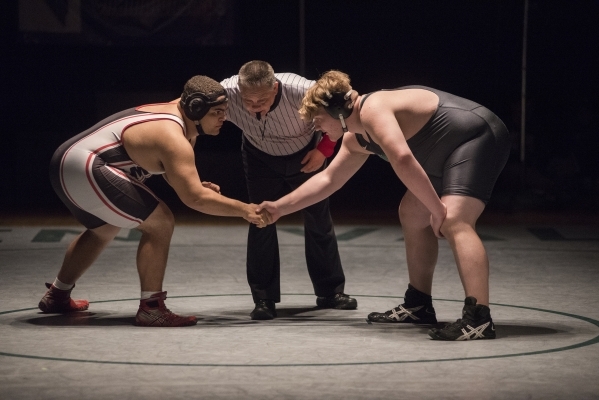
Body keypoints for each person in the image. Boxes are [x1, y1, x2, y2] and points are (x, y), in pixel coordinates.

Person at [258, 70, 511, 340]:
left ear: (338, 111)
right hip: (443, 152)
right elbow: (329, 179)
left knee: (454, 221)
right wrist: (279, 207)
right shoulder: (355, 139)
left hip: (475, 137)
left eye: (318, 120)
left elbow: (402, 158)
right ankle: (418, 303)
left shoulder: (373, 109)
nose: (316, 128)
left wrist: (438, 211)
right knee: (412, 214)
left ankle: (479, 319)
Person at [39, 75, 267, 327]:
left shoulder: (180, 120)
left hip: (69, 162)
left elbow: (174, 175)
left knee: (103, 229)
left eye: (225, 111)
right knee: (161, 222)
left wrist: (189, 183)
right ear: (196, 108)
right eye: (217, 112)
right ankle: (151, 308)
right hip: (83, 165)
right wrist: (245, 210)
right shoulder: (173, 136)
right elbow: (195, 199)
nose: (224, 118)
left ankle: (57, 296)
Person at [220, 61, 357, 320]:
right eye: (248, 101)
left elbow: (341, 109)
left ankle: (330, 292)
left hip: (306, 155)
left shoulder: (302, 89)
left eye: (261, 99)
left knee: (318, 219)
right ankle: (264, 298)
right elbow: (188, 105)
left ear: (275, 87)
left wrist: (324, 150)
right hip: (259, 157)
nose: (254, 107)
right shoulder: (225, 92)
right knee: (260, 220)